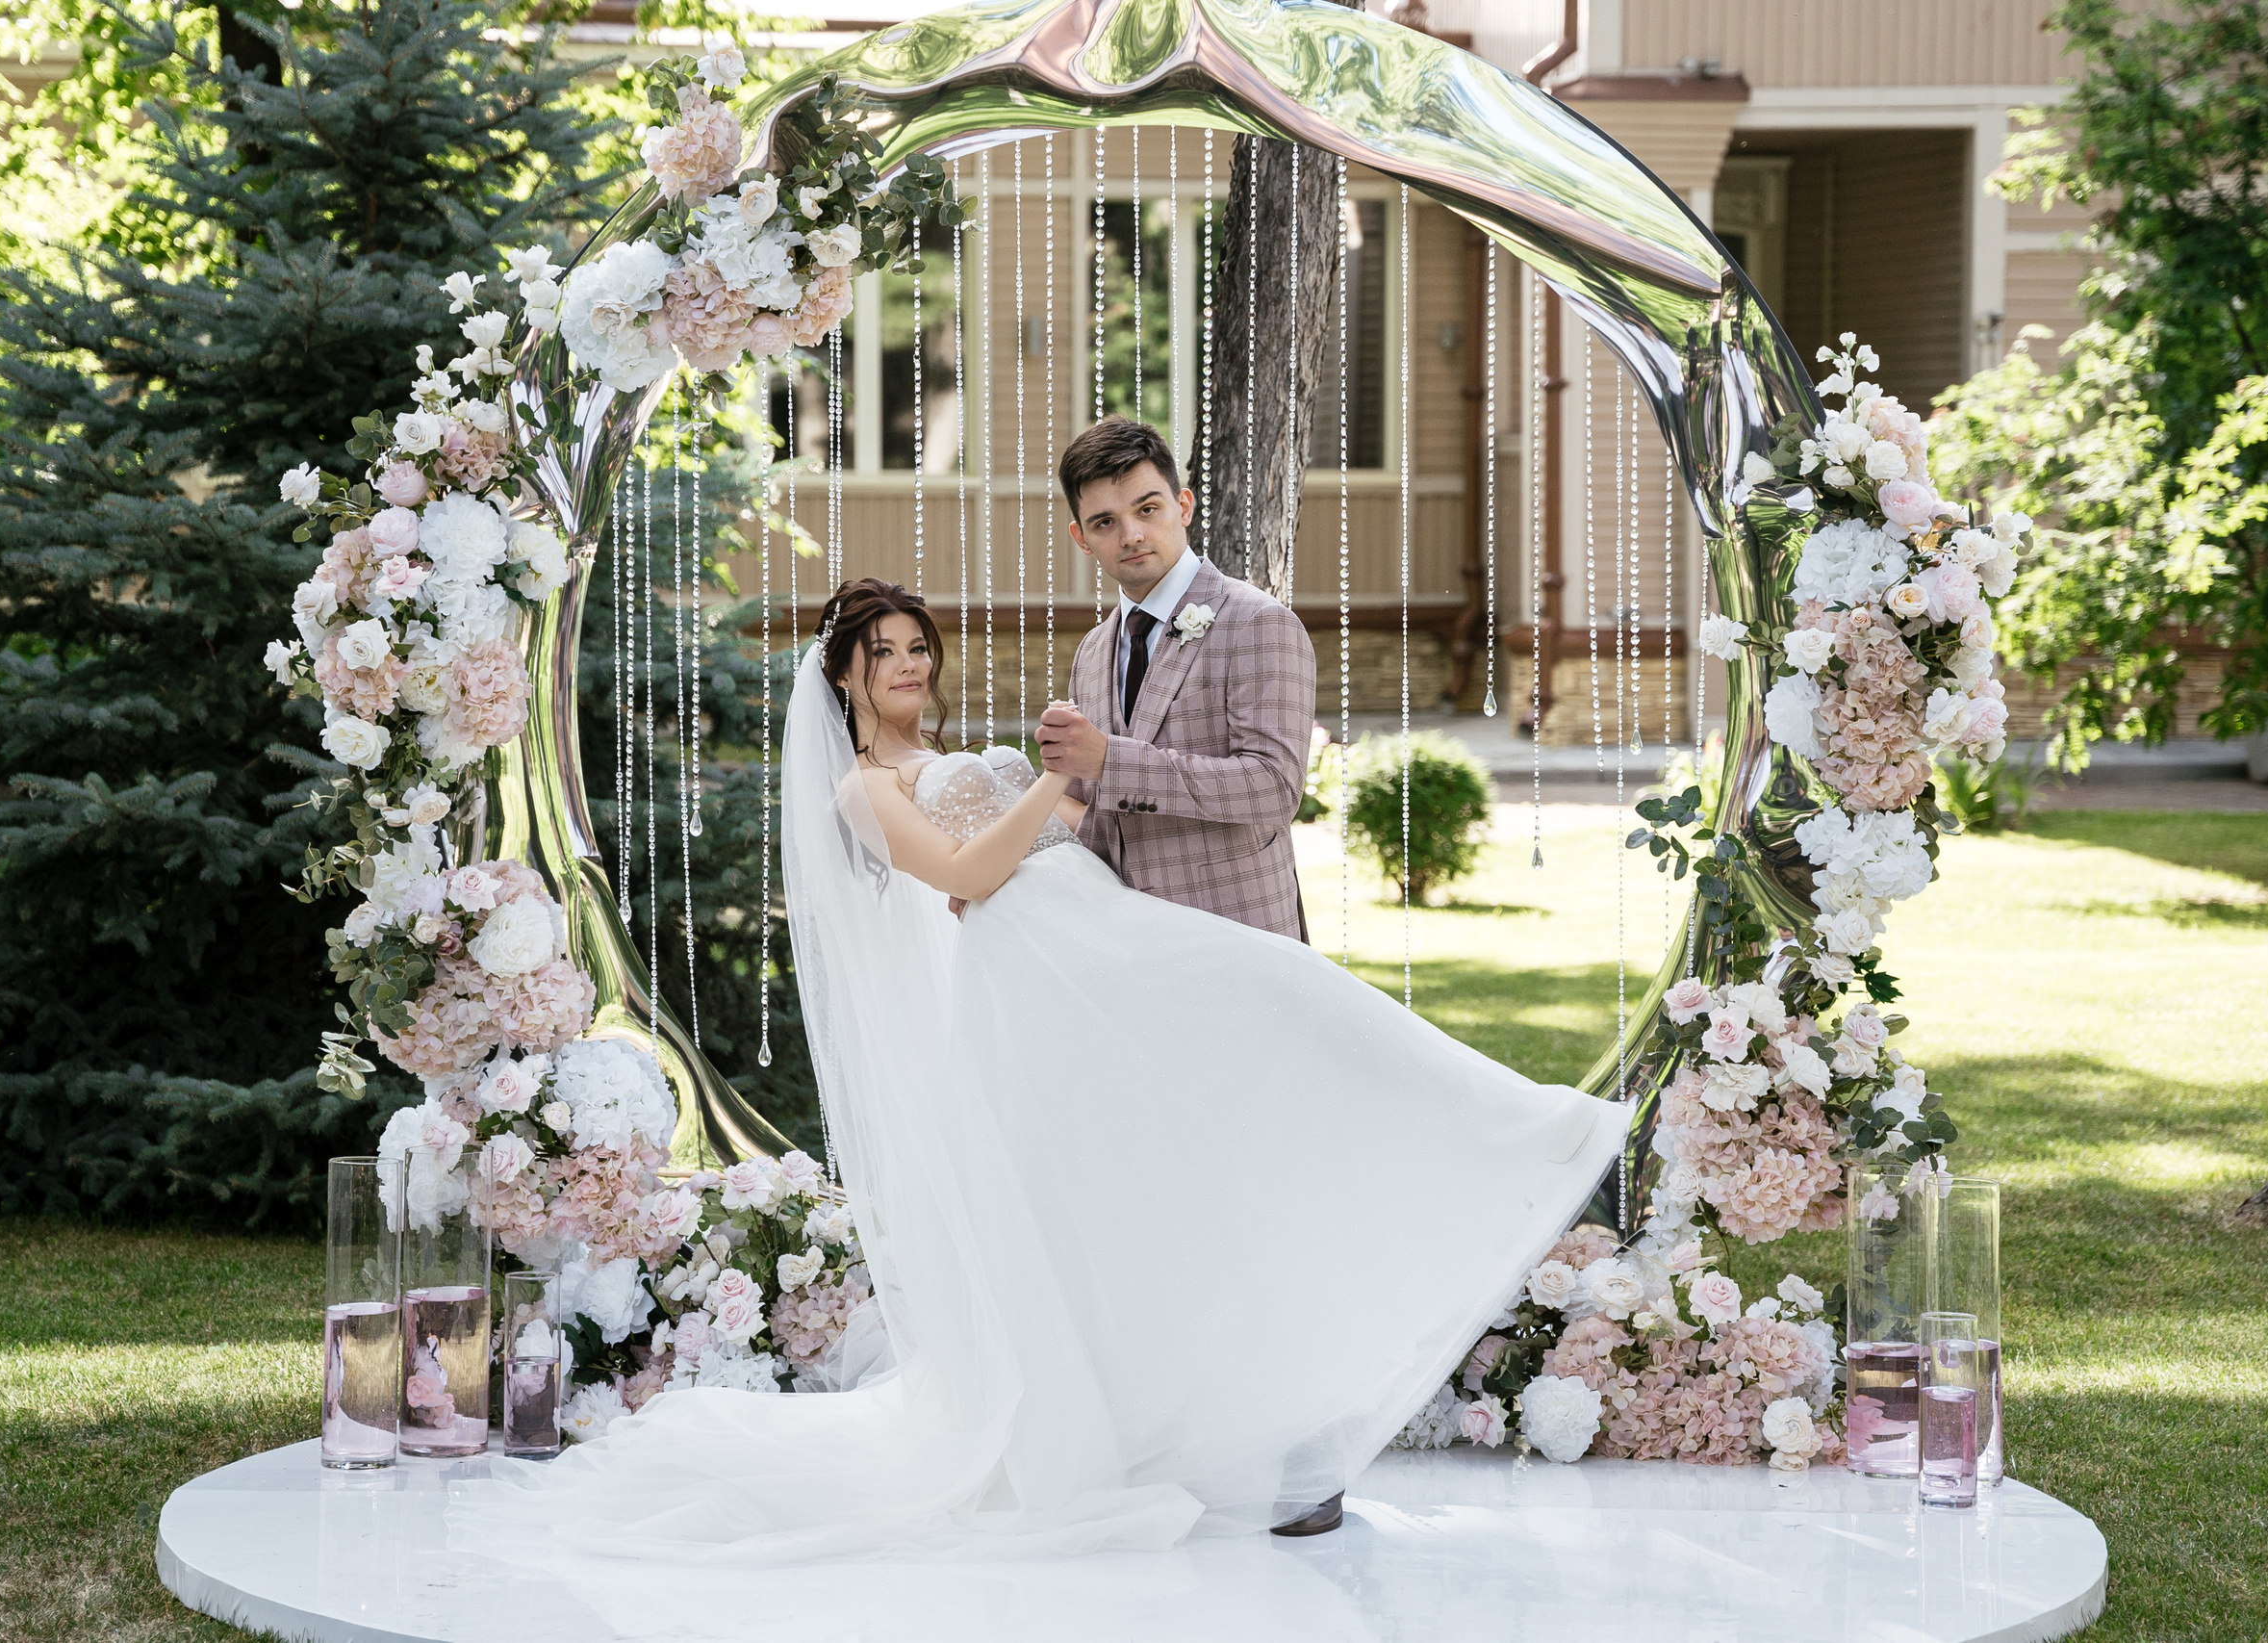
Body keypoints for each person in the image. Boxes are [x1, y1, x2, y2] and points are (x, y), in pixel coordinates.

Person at [465, 570, 1627, 1565]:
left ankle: (1510, 1137)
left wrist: (1071, 787)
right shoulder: (862, 788)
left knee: (1293, 1013)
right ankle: (1510, 1149)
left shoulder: (947, 752)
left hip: (1103, 936)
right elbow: (963, 876)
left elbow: (1052, 837)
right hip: (1036, 978)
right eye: (885, 656)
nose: (911, 667)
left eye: (921, 648)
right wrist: (1055, 784)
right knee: (1230, 1062)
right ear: (844, 679)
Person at [1034, 418, 1316, 941]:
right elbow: (1083, 810)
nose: (1131, 535)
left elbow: (1273, 788)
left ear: (1182, 506)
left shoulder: (1259, 623)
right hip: (1125, 948)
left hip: (1239, 940)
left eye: (1147, 509)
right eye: (1104, 522)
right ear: (1081, 537)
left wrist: (1109, 760)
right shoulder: (1093, 653)